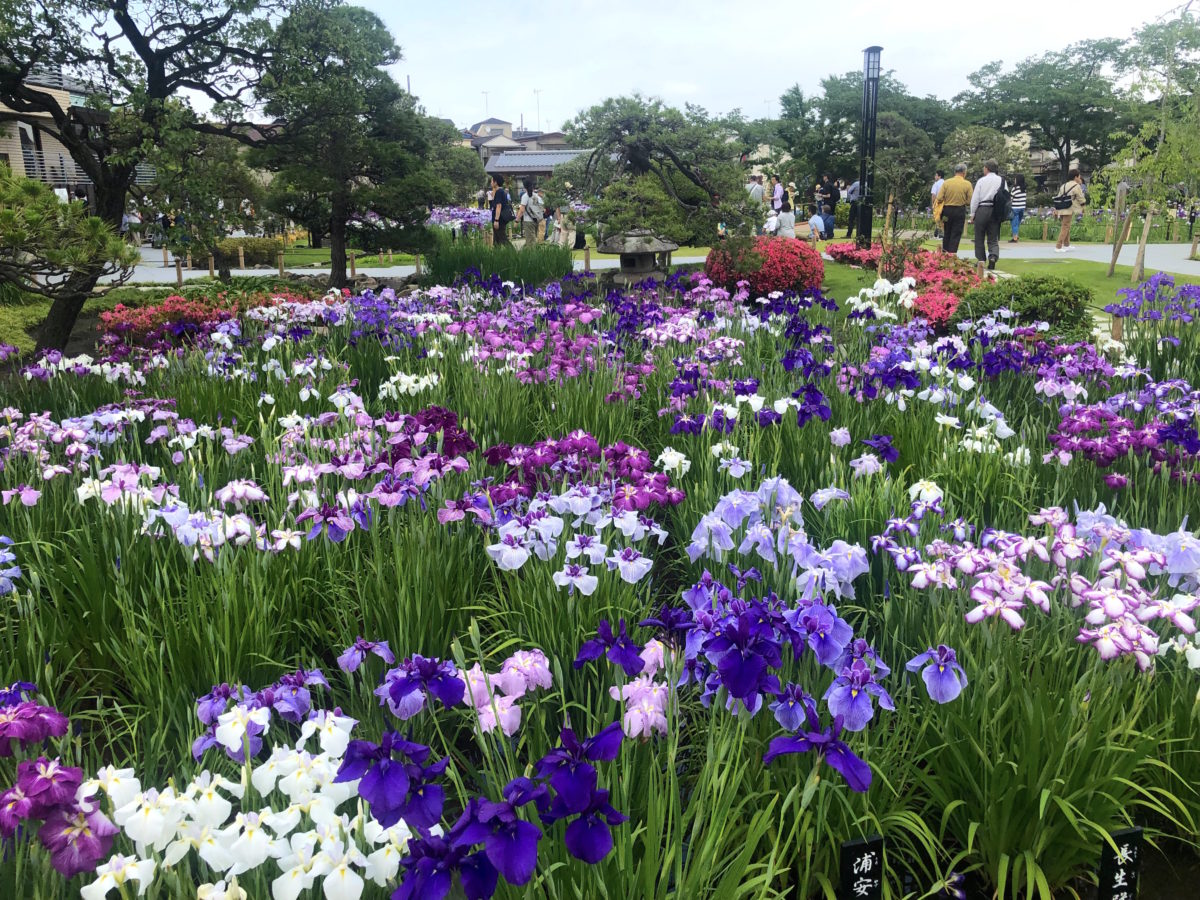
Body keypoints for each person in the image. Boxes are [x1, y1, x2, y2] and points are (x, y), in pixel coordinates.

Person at [969, 159, 1003, 270]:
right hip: (995, 210)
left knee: (979, 236)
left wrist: (972, 213)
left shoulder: (981, 181)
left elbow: (975, 199)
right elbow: (1006, 197)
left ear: (987, 168)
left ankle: (981, 260)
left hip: (982, 209)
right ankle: (993, 256)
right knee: (993, 237)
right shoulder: (1002, 180)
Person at [935, 163, 972, 253]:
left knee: (947, 232)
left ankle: (944, 253)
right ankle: (952, 254)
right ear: (964, 172)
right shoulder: (967, 184)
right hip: (959, 210)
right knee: (956, 233)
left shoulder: (946, 182)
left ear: (955, 172)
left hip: (947, 210)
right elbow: (969, 201)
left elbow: (939, 198)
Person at [1054, 169, 1086, 252]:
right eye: (1079, 176)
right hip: (1069, 208)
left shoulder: (1063, 185)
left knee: (1066, 226)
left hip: (1061, 208)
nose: (1080, 178)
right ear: (1076, 177)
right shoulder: (1076, 186)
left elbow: (1058, 197)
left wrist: (1056, 209)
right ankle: (1058, 246)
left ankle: (1067, 244)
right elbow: (1080, 197)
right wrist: (1083, 207)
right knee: (1065, 226)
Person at [517, 179, 544, 244]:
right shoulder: (537, 196)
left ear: (524, 186)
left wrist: (517, 219)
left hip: (528, 220)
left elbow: (522, 209)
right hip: (536, 219)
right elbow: (542, 208)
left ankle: (532, 253)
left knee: (530, 241)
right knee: (532, 238)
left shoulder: (525, 196)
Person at [490, 175, 512, 245]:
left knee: (502, 238)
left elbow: (498, 206)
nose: (491, 183)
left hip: (499, 219)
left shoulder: (499, 192)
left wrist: (496, 220)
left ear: (495, 182)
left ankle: (513, 253)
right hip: (500, 219)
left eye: (491, 181)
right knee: (496, 240)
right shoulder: (500, 191)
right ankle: (497, 254)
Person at [1008, 174, 1027, 243]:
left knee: (1014, 223)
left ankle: (1015, 238)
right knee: (1018, 223)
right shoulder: (1024, 189)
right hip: (1022, 208)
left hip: (1015, 208)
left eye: (1015, 179)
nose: (1014, 180)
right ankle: (1016, 235)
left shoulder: (1015, 189)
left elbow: (1011, 199)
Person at [930, 170, 945, 238]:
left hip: (938, 202)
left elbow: (933, 195)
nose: (935, 177)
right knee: (943, 218)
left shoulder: (936, 184)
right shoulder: (946, 183)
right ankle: (938, 230)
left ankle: (939, 231)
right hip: (945, 203)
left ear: (939, 176)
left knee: (937, 217)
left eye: (936, 175)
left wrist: (933, 203)